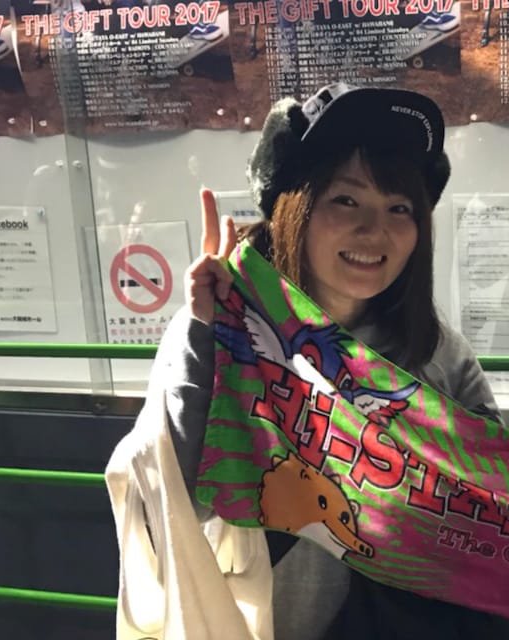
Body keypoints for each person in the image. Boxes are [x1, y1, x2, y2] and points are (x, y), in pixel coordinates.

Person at [143, 82, 509, 639]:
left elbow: (492, 508)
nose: (375, 230)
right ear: (293, 204)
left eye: (400, 207)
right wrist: (206, 335)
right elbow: (175, 504)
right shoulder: (225, 330)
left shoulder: (434, 351)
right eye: (346, 200)